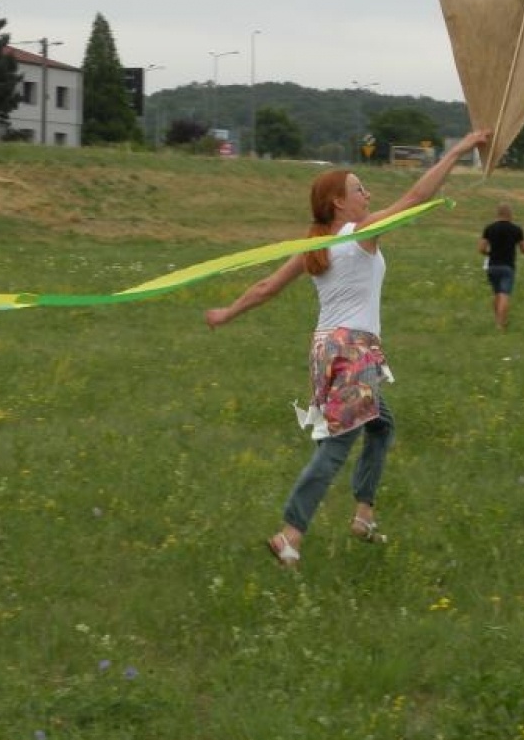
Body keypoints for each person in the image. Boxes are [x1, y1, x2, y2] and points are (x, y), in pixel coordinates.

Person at [205, 129, 491, 568]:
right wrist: (457, 150)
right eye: (360, 189)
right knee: (337, 445)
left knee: (382, 423)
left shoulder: (317, 247)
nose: (368, 193)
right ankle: (289, 534)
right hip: (354, 349)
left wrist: (228, 312)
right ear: (340, 202)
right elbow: (416, 196)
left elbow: (265, 288)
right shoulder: (360, 233)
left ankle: (364, 516)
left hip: (325, 349)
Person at [478, 204, 524, 331]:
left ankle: (498, 321)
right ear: (509, 214)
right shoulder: (516, 229)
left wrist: (490, 254)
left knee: (496, 294)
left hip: (492, 266)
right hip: (507, 267)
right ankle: (501, 325)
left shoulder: (489, 228)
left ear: (498, 214)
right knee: (505, 295)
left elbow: (481, 248)